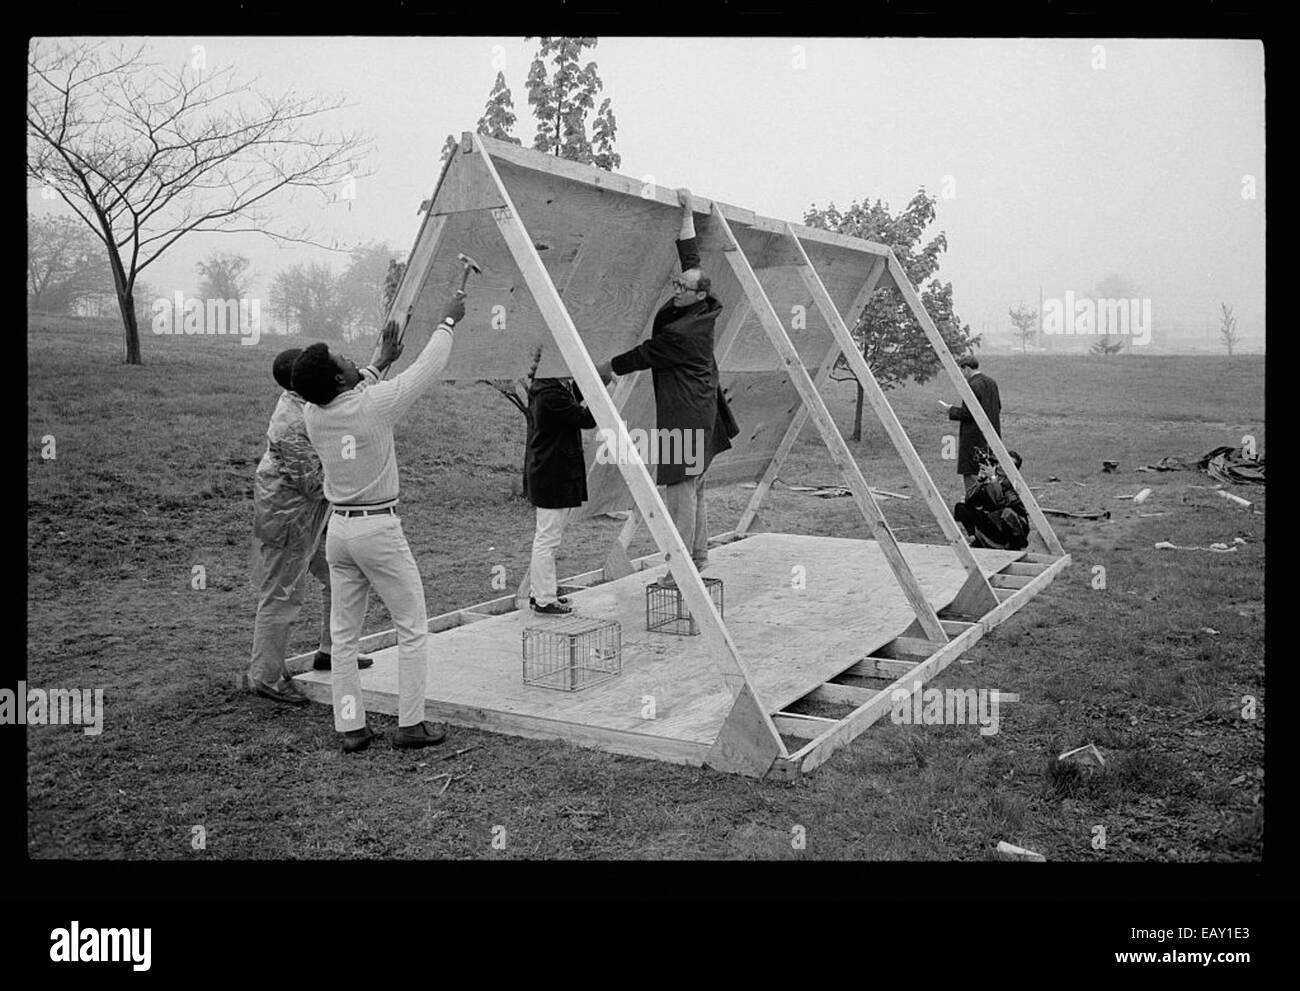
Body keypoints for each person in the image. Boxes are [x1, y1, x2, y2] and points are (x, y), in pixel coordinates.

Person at [291, 297, 468, 753]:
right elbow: (428, 366)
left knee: (345, 638)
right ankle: (411, 725)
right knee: (412, 626)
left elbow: (353, 388)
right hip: (378, 531)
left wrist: (377, 362)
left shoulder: (313, 413)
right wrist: (447, 319)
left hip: (340, 535)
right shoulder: (375, 406)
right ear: (337, 378)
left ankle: (351, 727)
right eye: (343, 361)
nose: (352, 360)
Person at [595, 187, 739, 586]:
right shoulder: (704, 305)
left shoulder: (683, 333)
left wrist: (606, 368)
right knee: (694, 486)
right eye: (676, 284)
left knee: (679, 489)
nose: (675, 290)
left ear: (699, 294)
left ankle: (681, 573)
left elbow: (645, 353)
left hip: (686, 416)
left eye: (681, 288)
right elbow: (691, 261)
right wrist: (688, 216)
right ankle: (697, 558)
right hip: (701, 409)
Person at [246, 347, 389, 706]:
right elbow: (313, 483)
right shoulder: (292, 422)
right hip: (288, 518)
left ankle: (330, 651)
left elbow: (348, 395)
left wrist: (381, 362)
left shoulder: (312, 401)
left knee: (340, 578)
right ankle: (265, 677)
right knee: (282, 594)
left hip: (317, 513)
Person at [525, 377, 598, 615]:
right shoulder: (552, 396)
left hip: (550, 474)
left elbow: (574, 397)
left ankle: (541, 594)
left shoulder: (550, 390)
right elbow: (586, 419)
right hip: (552, 476)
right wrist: (602, 391)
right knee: (547, 540)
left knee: (547, 538)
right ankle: (544, 599)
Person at [939, 354, 1002, 499]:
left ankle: (974, 502)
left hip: (973, 436)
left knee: (971, 470)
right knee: (989, 468)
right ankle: (992, 499)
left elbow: (969, 413)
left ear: (966, 368)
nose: (963, 375)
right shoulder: (992, 383)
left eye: (962, 371)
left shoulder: (972, 385)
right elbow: (998, 406)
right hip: (991, 434)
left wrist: (951, 410)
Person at [954, 449, 1030, 550]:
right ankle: (977, 539)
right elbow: (969, 500)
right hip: (993, 522)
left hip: (1011, 527)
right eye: (1002, 462)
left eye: (1008, 465)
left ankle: (1016, 547)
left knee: (1007, 512)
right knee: (962, 508)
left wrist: (993, 479)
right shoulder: (992, 479)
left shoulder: (1016, 485)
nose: (1001, 466)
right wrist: (980, 482)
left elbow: (1001, 503)